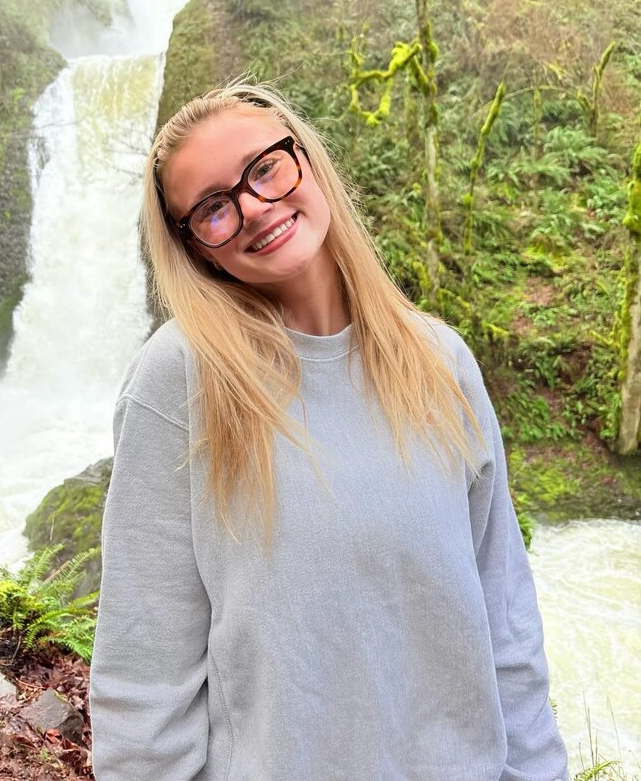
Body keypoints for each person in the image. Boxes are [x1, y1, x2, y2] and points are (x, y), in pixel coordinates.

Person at [88, 78, 569, 781]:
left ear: (305, 160)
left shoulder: (442, 363)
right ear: (197, 250)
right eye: (214, 208)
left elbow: (507, 626)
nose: (255, 207)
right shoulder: (181, 380)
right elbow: (143, 674)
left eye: (265, 168)